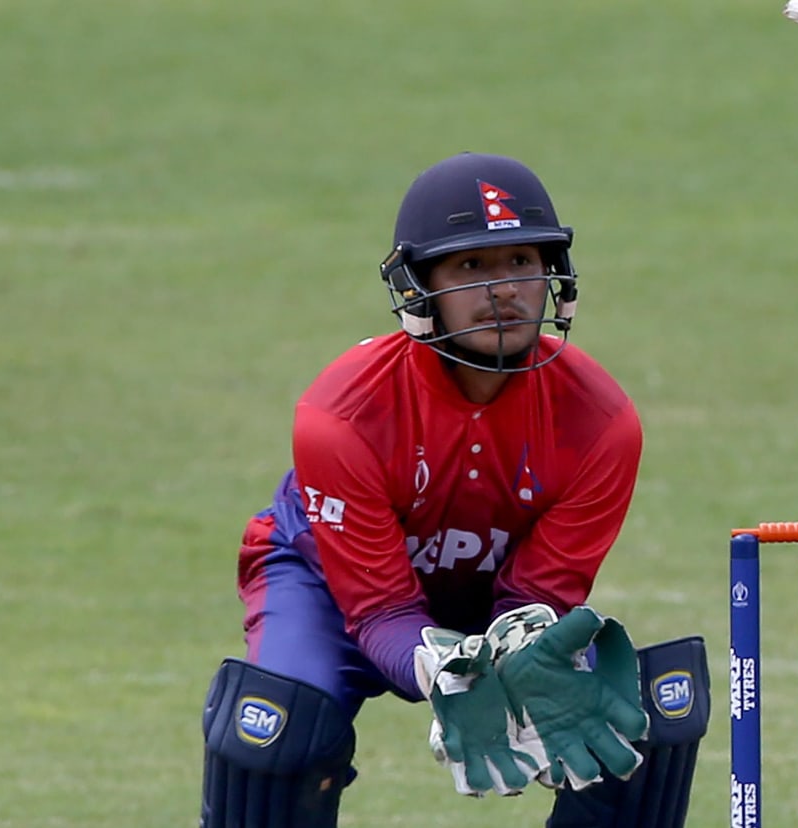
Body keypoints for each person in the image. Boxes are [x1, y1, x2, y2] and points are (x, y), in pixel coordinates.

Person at [198, 152, 709, 828]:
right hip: (327, 584)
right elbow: (379, 611)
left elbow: (536, 598)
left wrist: (518, 657)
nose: (505, 288)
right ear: (420, 287)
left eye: (523, 263)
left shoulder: (601, 422)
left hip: (498, 611)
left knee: (636, 730)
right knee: (274, 734)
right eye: (472, 266)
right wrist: (444, 670)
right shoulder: (341, 414)